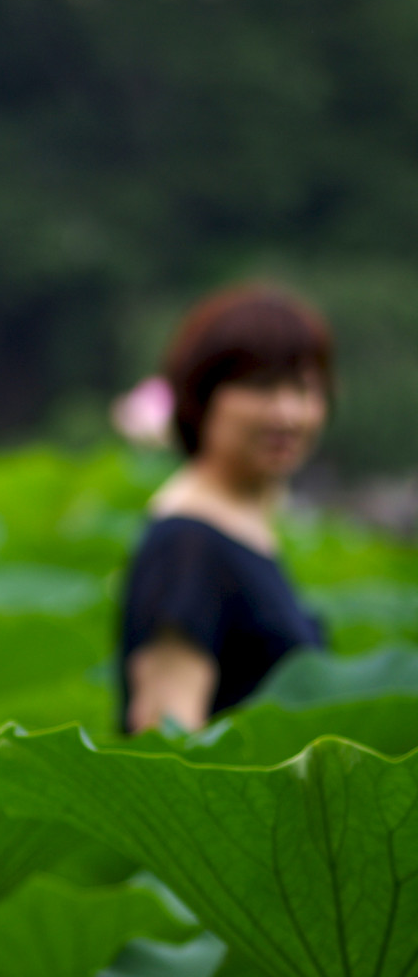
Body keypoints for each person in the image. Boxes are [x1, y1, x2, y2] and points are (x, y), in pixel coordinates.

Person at [118, 283, 333, 734]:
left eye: (304, 389)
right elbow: (165, 740)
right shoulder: (188, 544)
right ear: (202, 395)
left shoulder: (247, 529)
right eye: (261, 387)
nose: (287, 413)